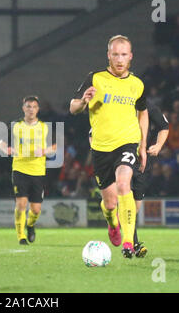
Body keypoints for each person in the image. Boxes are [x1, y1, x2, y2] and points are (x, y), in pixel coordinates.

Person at [70, 35, 149, 258]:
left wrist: (142, 145)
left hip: (127, 143)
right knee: (110, 202)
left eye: (124, 54)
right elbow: (73, 107)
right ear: (109, 55)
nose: (120, 59)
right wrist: (84, 101)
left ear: (131, 56)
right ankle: (111, 221)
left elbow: (143, 112)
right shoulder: (95, 78)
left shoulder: (137, 84)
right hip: (101, 148)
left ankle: (128, 243)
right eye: (115, 54)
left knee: (124, 184)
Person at [89, 101, 169, 257]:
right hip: (118, 157)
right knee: (121, 193)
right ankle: (132, 244)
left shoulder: (146, 107)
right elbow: (92, 133)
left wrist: (158, 145)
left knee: (135, 207)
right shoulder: (112, 105)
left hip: (141, 161)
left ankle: (123, 229)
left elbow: (164, 126)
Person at [0, 96, 57, 245]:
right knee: (21, 204)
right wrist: (6, 149)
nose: (31, 109)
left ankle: (30, 225)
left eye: (34, 107)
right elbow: (1, 143)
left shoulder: (45, 127)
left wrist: (44, 150)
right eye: (28, 106)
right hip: (20, 169)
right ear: (23, 108)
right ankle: (21, 236)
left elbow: (55, 147)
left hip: (38, 171)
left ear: (38, 109)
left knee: (36, 209)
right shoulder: (15, 125)